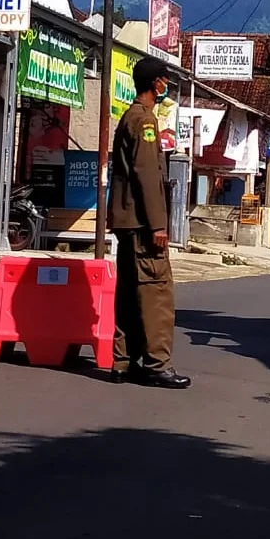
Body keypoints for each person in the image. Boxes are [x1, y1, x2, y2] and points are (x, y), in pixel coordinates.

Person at [107, 57, 191, 389]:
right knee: (156, 294)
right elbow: (147, 177)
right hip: (143, 224)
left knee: (129, 293)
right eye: (164, 81)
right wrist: (159, 225)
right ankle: (158, 364)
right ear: (156, 84)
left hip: (128, 223)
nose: (166, 86)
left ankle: (124, 361)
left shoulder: (130, 117)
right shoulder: (144, 122)